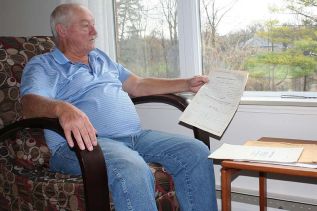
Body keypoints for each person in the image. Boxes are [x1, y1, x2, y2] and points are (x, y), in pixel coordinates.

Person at [20, 3, 217, 211]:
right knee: (132, 168)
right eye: (86, 26)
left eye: (94, 25)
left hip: (134, 137)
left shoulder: (101, 58)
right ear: (62, 30)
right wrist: (62, 108)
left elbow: (137, 84)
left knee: (196, 152)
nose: (95, 32)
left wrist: (186, 83)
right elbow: (29, 104)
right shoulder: (44, 65)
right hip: (84, 146)